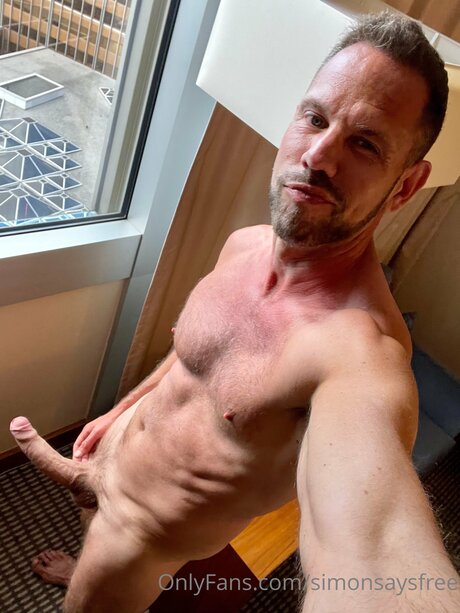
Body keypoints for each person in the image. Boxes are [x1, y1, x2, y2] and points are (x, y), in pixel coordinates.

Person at [10, 10, 460, 612]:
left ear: (405, 186)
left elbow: (373, 541)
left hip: (142, 544)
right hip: (110, 473)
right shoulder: (245, 244)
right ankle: (84, 559)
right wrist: (118, 413)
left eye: (365, 143)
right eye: (315, 119)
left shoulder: (358, 351)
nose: (318, 156)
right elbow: (191, 358)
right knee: (91, 546)